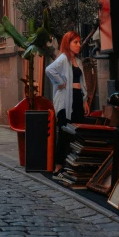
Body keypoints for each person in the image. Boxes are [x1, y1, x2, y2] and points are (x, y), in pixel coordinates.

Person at [46, 31, 89, 174]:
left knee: (77, 132)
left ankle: (72, 165)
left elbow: (82, 83)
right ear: (67, 43)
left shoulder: (78, 61)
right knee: (64, 132)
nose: (79, 45)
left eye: (79, 42)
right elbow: (49, 70)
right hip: (66, 101)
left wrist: (85, 100)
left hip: (77, 98)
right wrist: (61, 82)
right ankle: (59, 164)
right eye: (75, 42)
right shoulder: (63, 59)